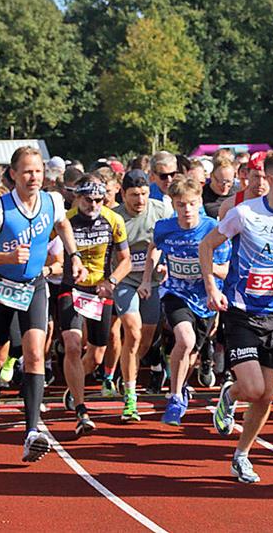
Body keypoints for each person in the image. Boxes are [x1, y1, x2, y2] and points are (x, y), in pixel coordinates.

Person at [200, 149, 273, 484]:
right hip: (242, 311)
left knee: (266, 394)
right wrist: (211, 287)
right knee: (251, 388)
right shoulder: (244, 214)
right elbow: (207, 246)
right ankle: (230, 394)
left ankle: (242, 456)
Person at [0, 147, 85, 462]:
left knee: (35, 354)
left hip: (34, 285)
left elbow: (62, 225)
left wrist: (73, 254)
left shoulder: (52, 200)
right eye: (26, 171)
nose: (33, 177)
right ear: (13, 174)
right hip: (2, 285)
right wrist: (7, 257)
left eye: (37, 171)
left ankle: (31, 431)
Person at [141, 175, 229, 425]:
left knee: (192, 351)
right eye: (180, 204)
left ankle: (182, 386)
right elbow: (153, 248)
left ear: (199, 202)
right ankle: (175, 396)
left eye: (191, 203)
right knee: (185, 339)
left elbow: (225, 269)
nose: (187, 209)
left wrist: (204, 266)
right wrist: (147, 279)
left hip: (206, 298)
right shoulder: (165, 227)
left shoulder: (213, 229)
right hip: (176, 293)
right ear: (173, 204)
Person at [58, 173, 131, 435]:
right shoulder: (65, 221)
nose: (94, 205)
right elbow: (51, 255)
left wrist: (110, 281)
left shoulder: (114, 220)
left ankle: (73, 383)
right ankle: (81, 409)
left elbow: (126, 260)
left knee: (98, 352)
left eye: (100, 200)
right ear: (77, 198)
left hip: (101, 290)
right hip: (71, 288)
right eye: (88, 200)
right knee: (73, 344)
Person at [110, 169, 173, 421]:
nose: (140, 200)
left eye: (144, 194)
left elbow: (173, 239)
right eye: (134, 195)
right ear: (122, 194)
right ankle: (130, 397)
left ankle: (127, 373)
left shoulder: (161, 211)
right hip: (125, 281)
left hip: (153, 283)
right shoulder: (113, 217)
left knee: (143, 342)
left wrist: (167, 261)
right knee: (132, 332)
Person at [202, 154, 236, 219]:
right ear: (212, 176)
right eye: (220, 182)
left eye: (229, 182)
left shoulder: (238, 194)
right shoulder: (202, 194)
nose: (225, 186)